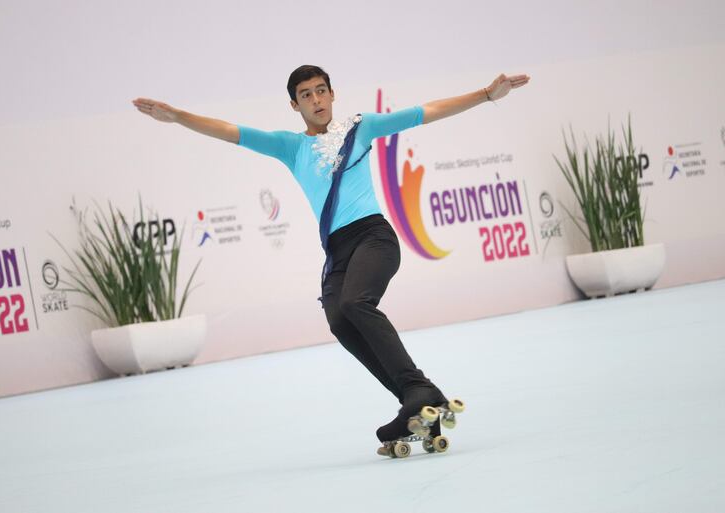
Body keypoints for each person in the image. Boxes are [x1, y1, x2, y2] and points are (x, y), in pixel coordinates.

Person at [133, 65, 530, 454]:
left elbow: (426, 112)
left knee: (356, 302)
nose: (316, 99)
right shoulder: (290, 147)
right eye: (306, 95)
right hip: (338, 249)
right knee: (340, 319)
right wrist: (179, 117)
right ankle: (418, 405)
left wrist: (485, 95)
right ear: (294, 105)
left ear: (333, 94)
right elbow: (233, 133)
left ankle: (418, 388)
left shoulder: (362, 128)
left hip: (375, 236)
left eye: (321, 90)